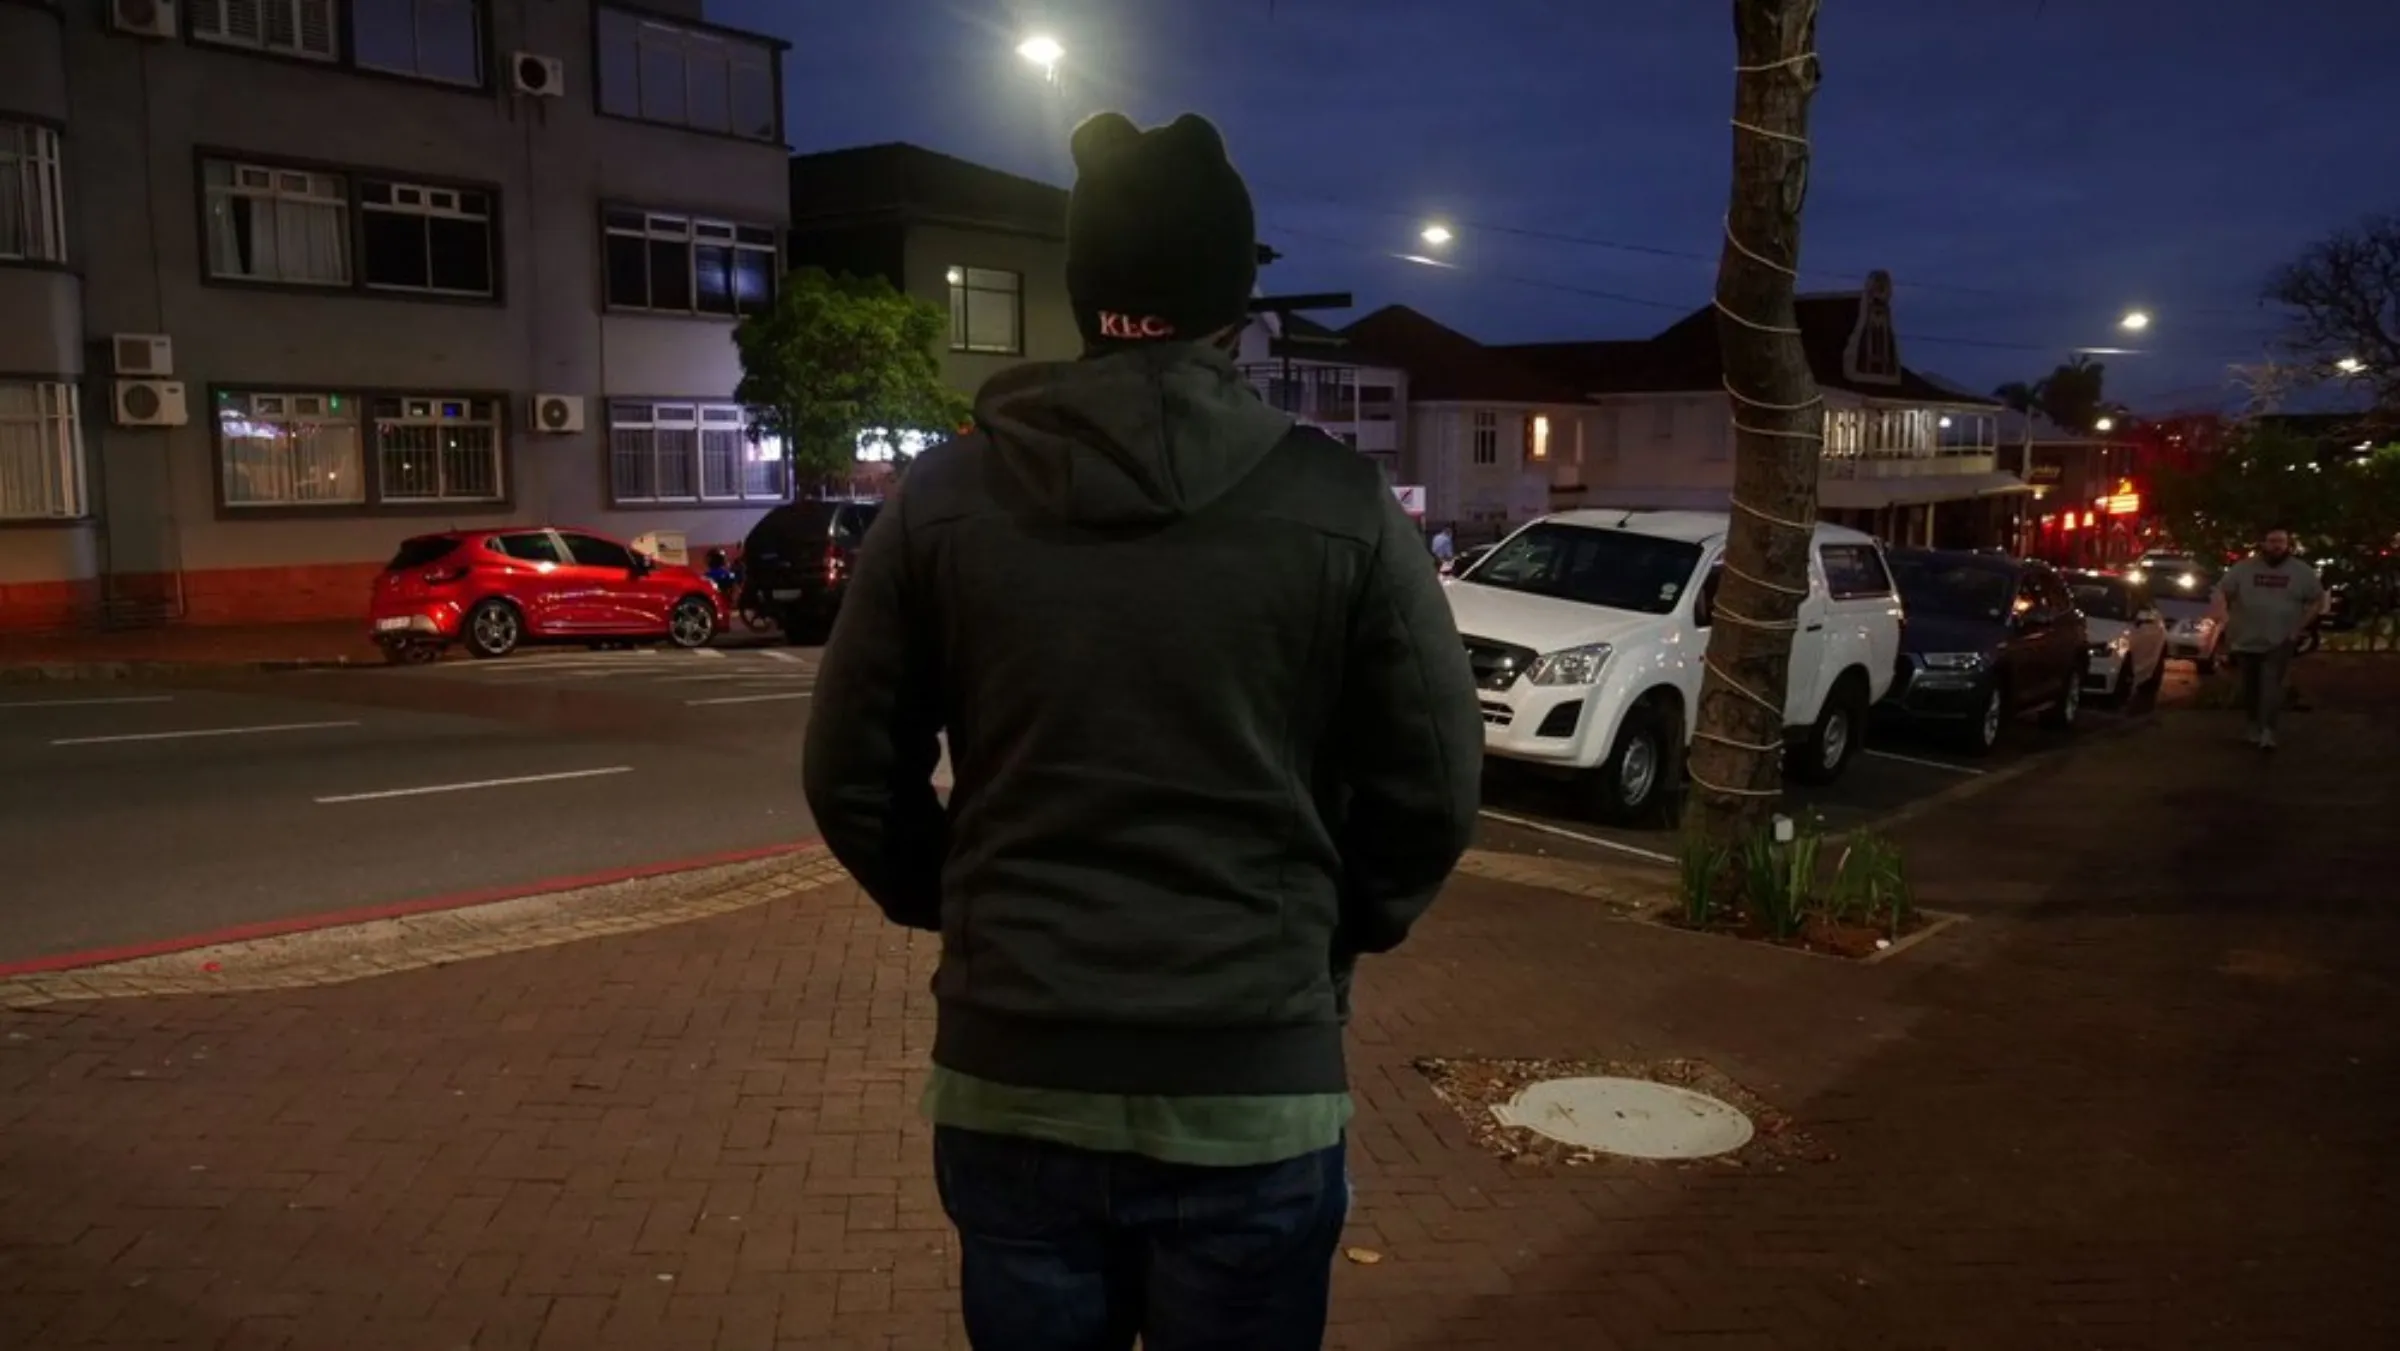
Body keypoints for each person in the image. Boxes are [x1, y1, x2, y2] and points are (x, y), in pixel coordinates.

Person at [802, 111, 1483, 1351]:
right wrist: (1332, 927)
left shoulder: (944, 501)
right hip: (1252, 1083)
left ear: (1083, 291)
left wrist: (968, 901)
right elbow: (1435, 786)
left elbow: (851, 775)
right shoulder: (1343, 507)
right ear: (1233, 301)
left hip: (1017, 1080)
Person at [2204, 526, 2326, 751]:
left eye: (2281, 541)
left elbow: (2318, 600)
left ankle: (2268, 731)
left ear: (2288, 545)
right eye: (2272, 541)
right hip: (2246, 637)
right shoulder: (2244, 569)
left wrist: (2299, 626)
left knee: (2271, 684)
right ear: (2263, 544)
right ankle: (2253, 726)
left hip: (2280, 639)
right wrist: (2222, 613)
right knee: (2251, 686)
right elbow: (2221, 590)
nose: (2276, 546)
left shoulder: (2301, 572)